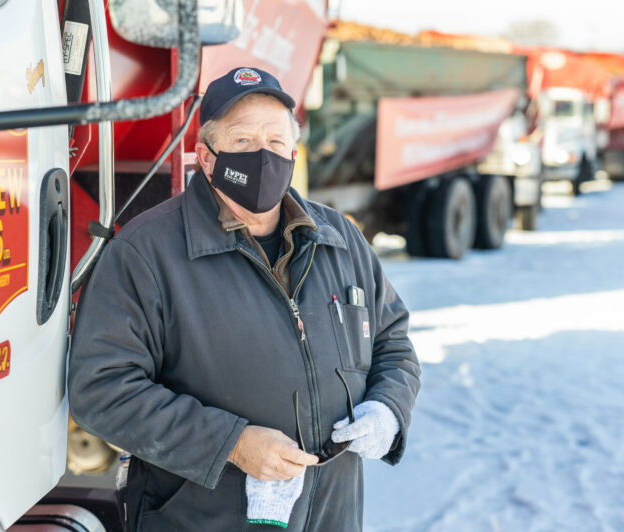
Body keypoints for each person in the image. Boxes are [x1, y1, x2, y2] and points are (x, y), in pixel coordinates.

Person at [68, 67, 421, 531]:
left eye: (276, 142)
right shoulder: (146, 252)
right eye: (242, 141)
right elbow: (101, 390)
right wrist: (231, 444)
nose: (263, 155)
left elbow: (393, 341)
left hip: (332, 515)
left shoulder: (340, 239)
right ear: (206, 157)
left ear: (293, 152)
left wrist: (388, 409)